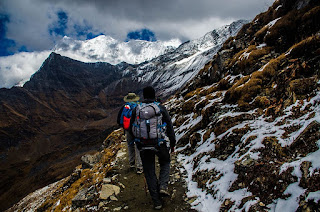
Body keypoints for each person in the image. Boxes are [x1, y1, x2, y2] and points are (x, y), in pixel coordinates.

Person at [130, 86, 176, 210]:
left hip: (143, 144)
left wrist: (136, 143)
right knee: (165, 162)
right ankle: (162, 186)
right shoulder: (160, 108)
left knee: (149, 172)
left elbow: (131, 128)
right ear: (154, 95)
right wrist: (172, 143)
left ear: (144, 96)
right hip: (159, 143)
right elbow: (170, 127)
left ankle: (157, 202)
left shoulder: (136, 109)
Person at [117, 92, 143, 174]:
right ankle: (140, 167)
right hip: (138, 129)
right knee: (138, 147)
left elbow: (119, 119)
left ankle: (132, 163)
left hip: (128, 129)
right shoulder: (140, 106)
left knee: (130, 145)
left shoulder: (125, 107)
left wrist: (124, 127)